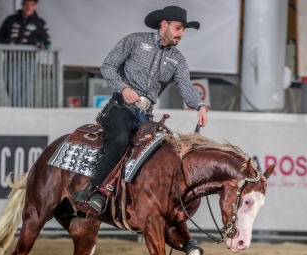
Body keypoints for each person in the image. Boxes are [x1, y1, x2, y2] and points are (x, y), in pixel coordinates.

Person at [74, 6, 209, 213]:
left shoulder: (177, 59)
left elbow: (185, 85)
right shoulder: (135, 40)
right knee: (119, 139)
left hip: (146, 116)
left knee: (162, 154)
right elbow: (108, 66)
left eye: (183, 30)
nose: (181, 34)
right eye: (178, 28)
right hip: (121, 107)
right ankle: (94, 191)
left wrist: (199, 106)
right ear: (164, 24)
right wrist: (124, 88)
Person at [0, 0, 51, 107]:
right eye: (26, 4)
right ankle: (16, 107)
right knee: (11, 86)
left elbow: (47, 42)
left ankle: (19, 109)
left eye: (31, 5)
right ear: (22, 4)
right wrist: (9, 43)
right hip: (11, 59)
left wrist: (38, 44)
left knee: (24, 87)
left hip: (29, 60)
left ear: (35, 6)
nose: (28, 7)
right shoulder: (11, 20)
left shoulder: (40, 22)